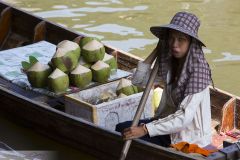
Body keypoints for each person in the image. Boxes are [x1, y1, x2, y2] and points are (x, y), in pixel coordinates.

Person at [115, 11, 213, 148]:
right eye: (171, 38)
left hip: (186, 136)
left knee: (130, 136)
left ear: (191, 42)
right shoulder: (170, 61)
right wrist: (156, 51)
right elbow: (138, 80)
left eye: (181, 39)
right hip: (165, 124)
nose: (174, 44)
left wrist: (145, 129)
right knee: (121, 128)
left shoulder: (198, 71)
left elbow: (184, 118)